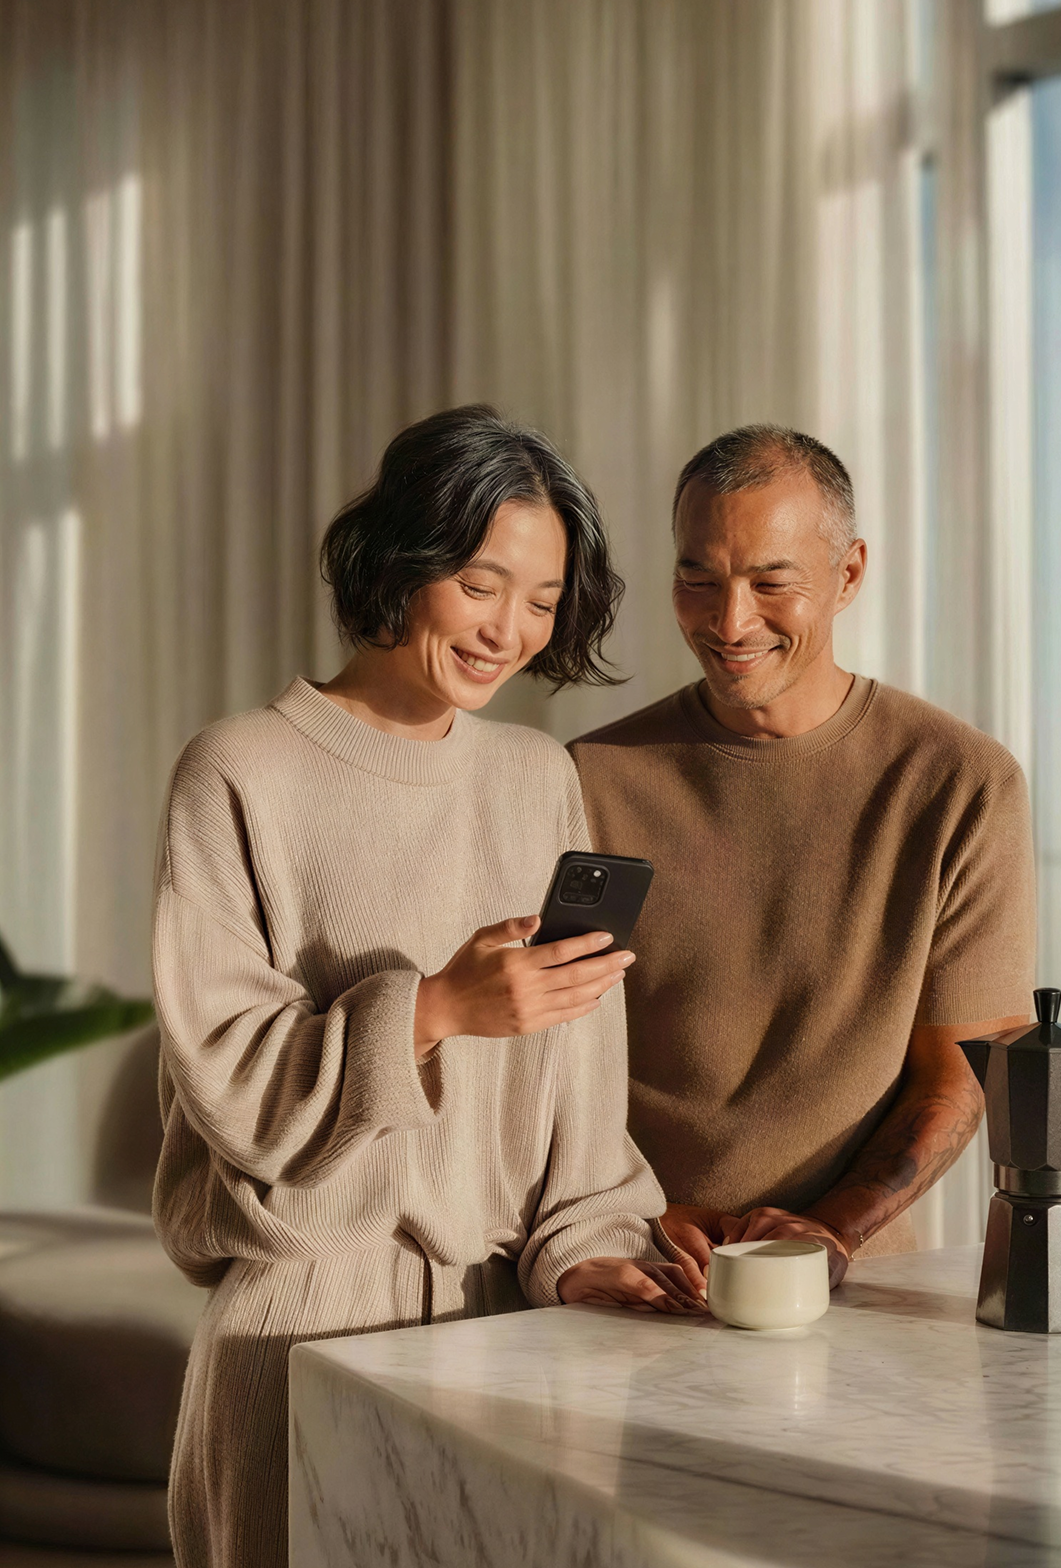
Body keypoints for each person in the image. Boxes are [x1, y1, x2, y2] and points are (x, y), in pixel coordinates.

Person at [152, 405, 703, 1568]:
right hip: (298, 1329)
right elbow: (226, 1071)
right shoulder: (239, 769)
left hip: (506, 1343)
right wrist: (439, 1008)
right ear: (402, 560)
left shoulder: (536, 776)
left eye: (542, 599)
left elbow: (577, 1080)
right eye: (480, 582)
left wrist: (587, 1248)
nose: (509, 630)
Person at [570, 424, 1035, 1290]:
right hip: (631, 1269)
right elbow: (543, 1062)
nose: (729, 621)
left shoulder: (961, 783)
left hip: (860, 1289)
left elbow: (959, 1070)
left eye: (770, 582)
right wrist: (630, 1213)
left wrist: (826, 1232)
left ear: (848, 574)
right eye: (697, 579)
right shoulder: (589, 779)